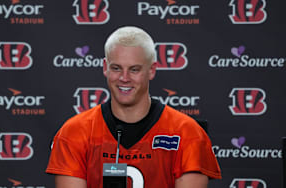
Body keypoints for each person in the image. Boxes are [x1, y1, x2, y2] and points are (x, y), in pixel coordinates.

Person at [46, 26, 221, 188]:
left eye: (134, 70)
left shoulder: (187, 133)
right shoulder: (74, 132)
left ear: (152, 70)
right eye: (116, 68)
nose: (124, 78)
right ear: (105, 68)